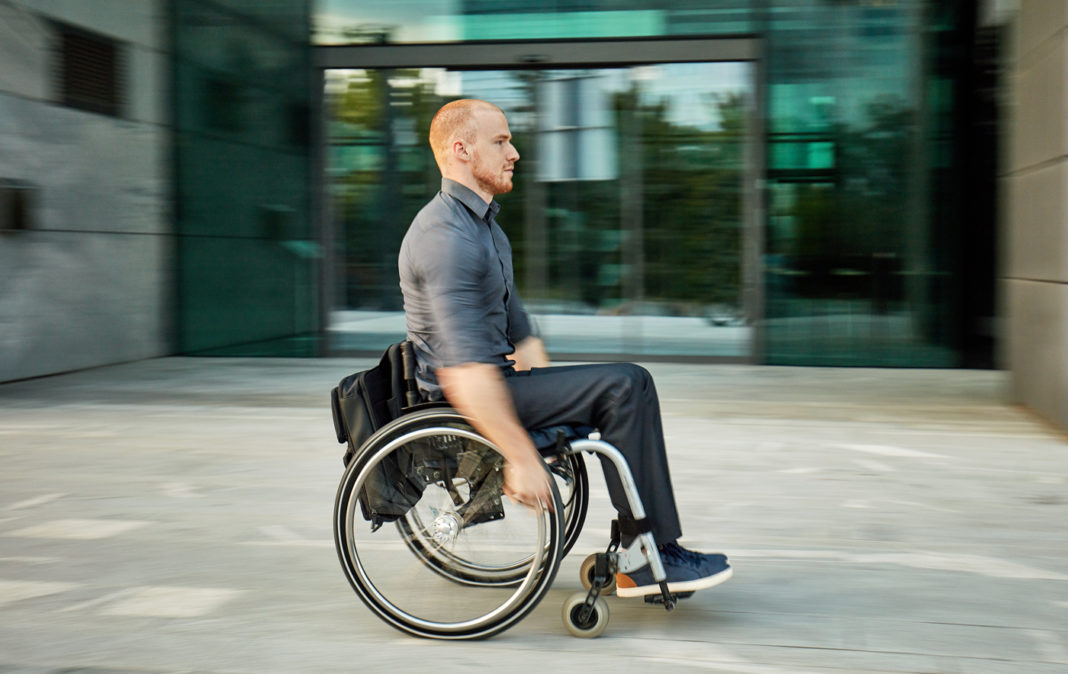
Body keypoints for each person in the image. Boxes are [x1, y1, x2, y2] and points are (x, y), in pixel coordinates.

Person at [398, 98, 732, 598]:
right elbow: (462, 371)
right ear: (461, 150)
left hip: (497, 383)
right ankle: (649, 549)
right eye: (501, 141)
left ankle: (646, 545)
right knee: (627, 384)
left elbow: (524, 338)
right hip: (462, 396)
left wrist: (555, 415)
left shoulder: (484, 228)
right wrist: (520, 454)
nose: (515, 152)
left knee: (622, 386)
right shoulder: (444, 237)